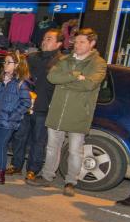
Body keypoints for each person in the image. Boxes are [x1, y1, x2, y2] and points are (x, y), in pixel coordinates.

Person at [27, 28, 107, 196]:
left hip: (78, 113)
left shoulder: (98, 63)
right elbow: (53, 78)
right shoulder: (65, 59)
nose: (77, 45)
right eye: (75, 42)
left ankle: (71, 182)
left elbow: (90, 84)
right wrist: (76, 75)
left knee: (75, 151)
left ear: (92, 43)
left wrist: (66, 81)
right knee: (51, 147)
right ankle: (47, 176)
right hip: (57, 111)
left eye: (81, 42)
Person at [10, 29, 63, 180]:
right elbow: (20, 77)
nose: (45, 41)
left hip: (44, 107)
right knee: (20, 136)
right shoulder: (31, 57)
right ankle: (16, 165)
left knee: (38, 140)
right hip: (25, 105)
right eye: (45, 38)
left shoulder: (61, 62)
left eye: (49, 39)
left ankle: (33, 169)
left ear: (59, 44)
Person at [0, 51, 32, 184]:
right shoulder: (2, 81)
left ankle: (0, 174)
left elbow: (26, 103)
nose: (5, 64)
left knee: (1, 146)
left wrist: (12, 116)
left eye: (8, 62)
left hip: (8, 121)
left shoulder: (20, 83)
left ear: (16, 65)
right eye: (5, 61)